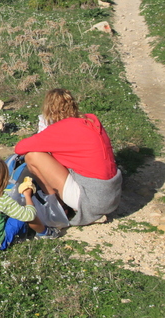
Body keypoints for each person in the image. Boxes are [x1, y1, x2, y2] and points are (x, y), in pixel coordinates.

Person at [14, 88, 121, 226]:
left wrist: (44, 132)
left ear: (49, 110)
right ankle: (70, 205)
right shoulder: (90, 121)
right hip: (111, 194)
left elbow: (20, 148)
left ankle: (58, 208)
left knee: (32, 156)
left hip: (91, 199)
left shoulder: (61, 129)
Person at [0, 156, 57, 250]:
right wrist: (27, 195)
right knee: (22, 214)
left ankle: (25, 233)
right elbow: (29, 215)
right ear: (3, 179)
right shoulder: (0, 199)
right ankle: (46, 233)